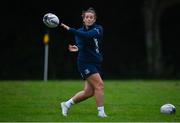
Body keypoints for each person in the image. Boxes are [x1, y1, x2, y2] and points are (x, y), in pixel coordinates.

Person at [60, 7, 107, 118]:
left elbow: (88, 36)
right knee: (99, 85)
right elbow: (81, 44)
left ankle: (66, 104)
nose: (89, 19)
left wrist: (70, 29)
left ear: (94, 19)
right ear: (83, 19)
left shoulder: (98, 29)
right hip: (85, 63)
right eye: (87, 17)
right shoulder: (79, 32)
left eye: (91, 17)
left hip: (96, 63)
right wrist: (77, 47)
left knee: (89, 92)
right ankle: (101, 113)